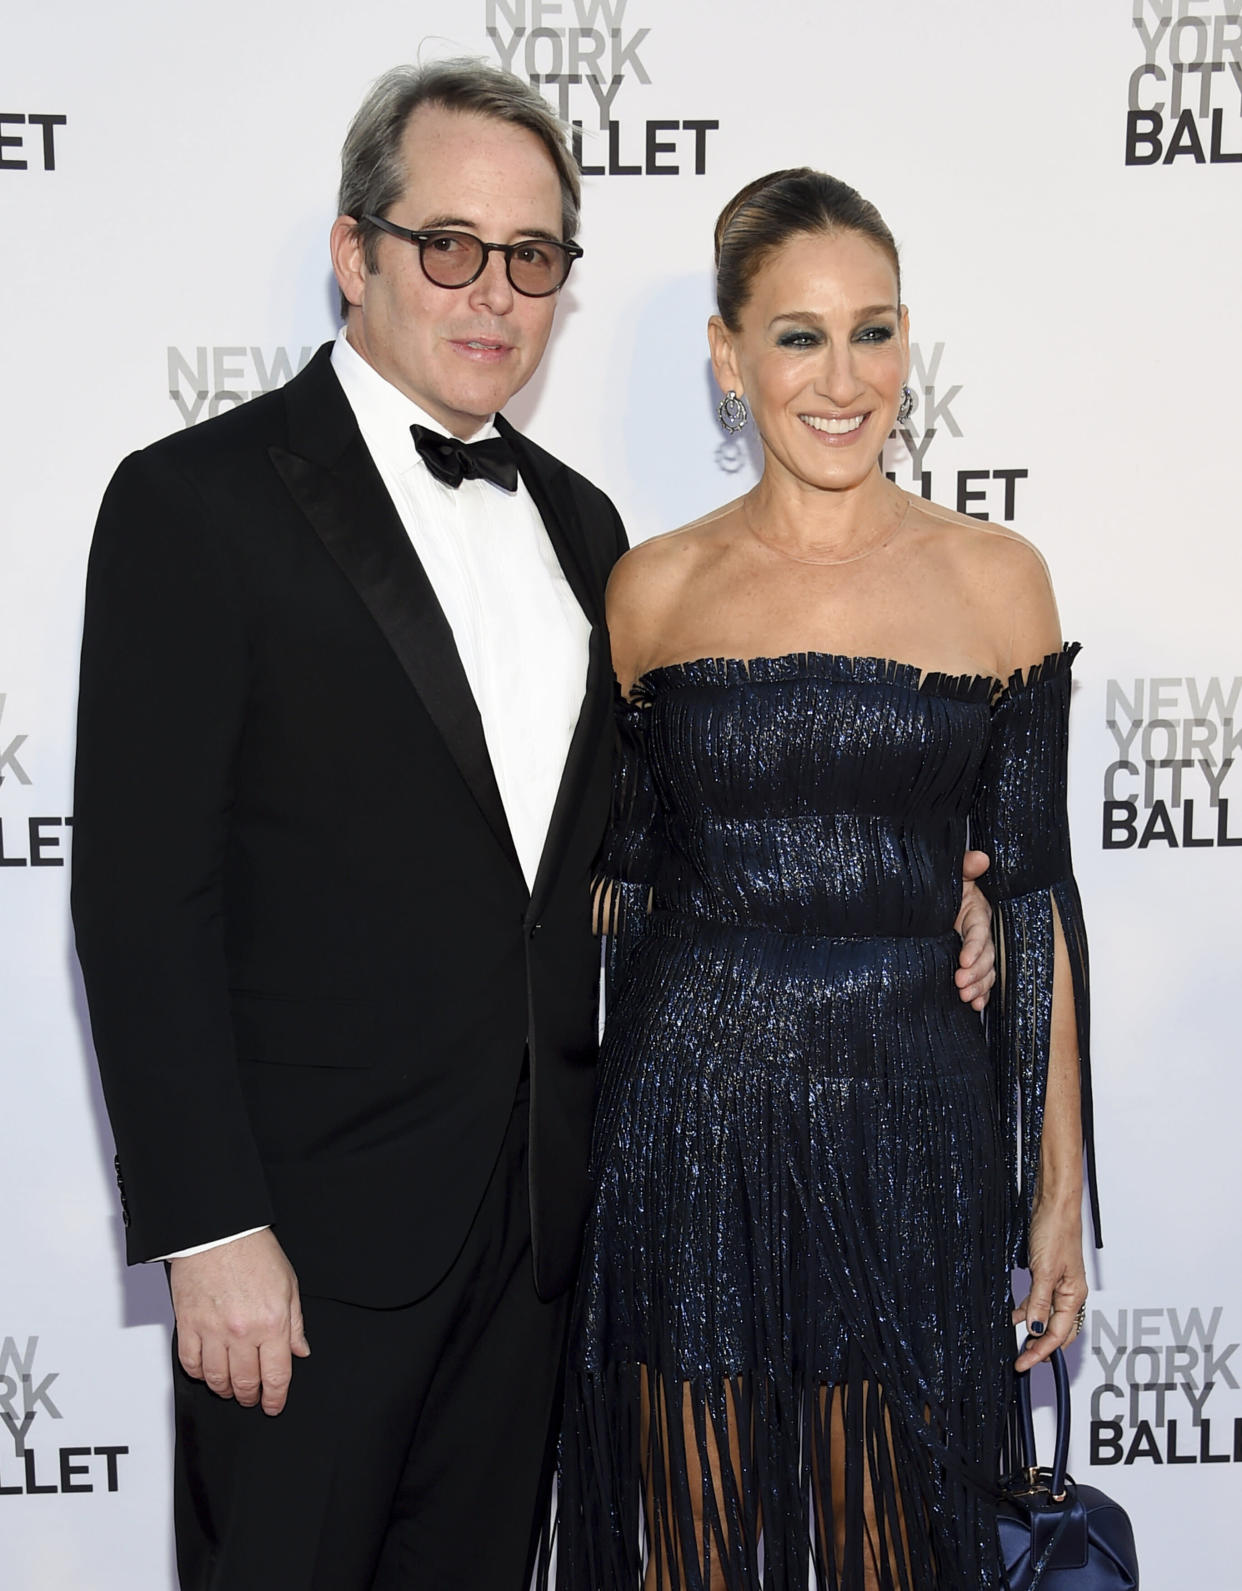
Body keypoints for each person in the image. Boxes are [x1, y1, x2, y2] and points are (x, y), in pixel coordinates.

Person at [71, 64, 995, 1589]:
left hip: (544, 1249)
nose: (491, 293)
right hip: (303, 1257)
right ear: (354, 253)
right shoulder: (196, 504)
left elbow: (657, 856)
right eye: (448, 245)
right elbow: (137, 899)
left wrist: (915, 889)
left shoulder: (585, 533)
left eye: (532, 255)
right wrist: (209, 1227)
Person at [548, 170, 1099, 1591]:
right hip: (691, 1125)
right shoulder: (650, 591)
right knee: (687, 1556)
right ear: (729, 360)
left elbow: (1034, 900)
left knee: (882, 1557)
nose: (841, 379)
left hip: (908, 1127)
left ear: (909, 342)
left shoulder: (996, 582)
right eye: (796, 337)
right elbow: (606, 882)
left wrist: (1054, 1196)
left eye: (873, 331)